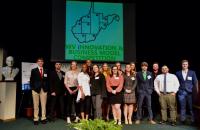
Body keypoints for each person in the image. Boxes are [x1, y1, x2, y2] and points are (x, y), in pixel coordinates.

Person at [176, 60, 198, 124]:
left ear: (188, 65)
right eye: (183, 64)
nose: (184, 65)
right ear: (181, 65)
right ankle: (183, 120)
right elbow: (176, 83)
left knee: (191, 107)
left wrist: (196, 91)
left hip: (190, 93)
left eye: (186, 64)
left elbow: (195, 82)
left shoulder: (192, 72)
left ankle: (193, 119)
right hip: (181, 92)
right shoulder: (178, 73)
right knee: (182, 107)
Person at [30, 57, 49, 125]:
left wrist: (46, 88)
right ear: (37, 62)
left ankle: (43, 118)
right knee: (36, 105)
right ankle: (36, 119)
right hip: (35, 90)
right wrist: (32, 88)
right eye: (39, 61)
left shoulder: (46, 70)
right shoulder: (33, 70)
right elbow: (31, 80)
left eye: (41, 61)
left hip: (44, 90)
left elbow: (47, 80)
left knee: (43, 105)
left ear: (43, 62)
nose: (40, 62)